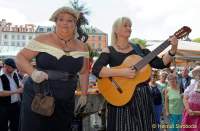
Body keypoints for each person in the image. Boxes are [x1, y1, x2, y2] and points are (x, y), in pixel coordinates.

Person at [92, 16, 178, 131]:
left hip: (142, 98)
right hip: (120, 97)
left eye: (130, 26)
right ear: (116, 30)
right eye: (125, 25)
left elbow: (160, 63)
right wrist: (123, 72)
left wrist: (173, 48)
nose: (129, 28)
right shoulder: (109, 50)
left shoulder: (138, 48)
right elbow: (96, 69)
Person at [16, 6, 89, 131]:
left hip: (66, 98)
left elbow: (84, 72)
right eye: (61, 19)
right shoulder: (42, 39)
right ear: (55, 22)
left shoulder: (82, 47)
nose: (65, 23)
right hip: (39, 96)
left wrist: (84, 94)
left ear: (75, 23)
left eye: (69, 20)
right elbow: (20, 57)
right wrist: (33, 73)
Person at [0, 58, 23, 131]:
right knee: (3, 126)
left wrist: (22, 86)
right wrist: (16, 91)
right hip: (3, 107)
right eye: (12, 68)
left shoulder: (15, 73)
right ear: (5, 66)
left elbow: (20, 84)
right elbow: (1, 93)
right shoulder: (0, 77)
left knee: (16, 126)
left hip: (16, 105)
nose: (13, 70)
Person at [181, 66, 200, 131]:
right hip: (188, 113)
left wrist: (196, 113)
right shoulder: (193, 83)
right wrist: (188, 109)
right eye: (198, 73)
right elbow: (185, 98)